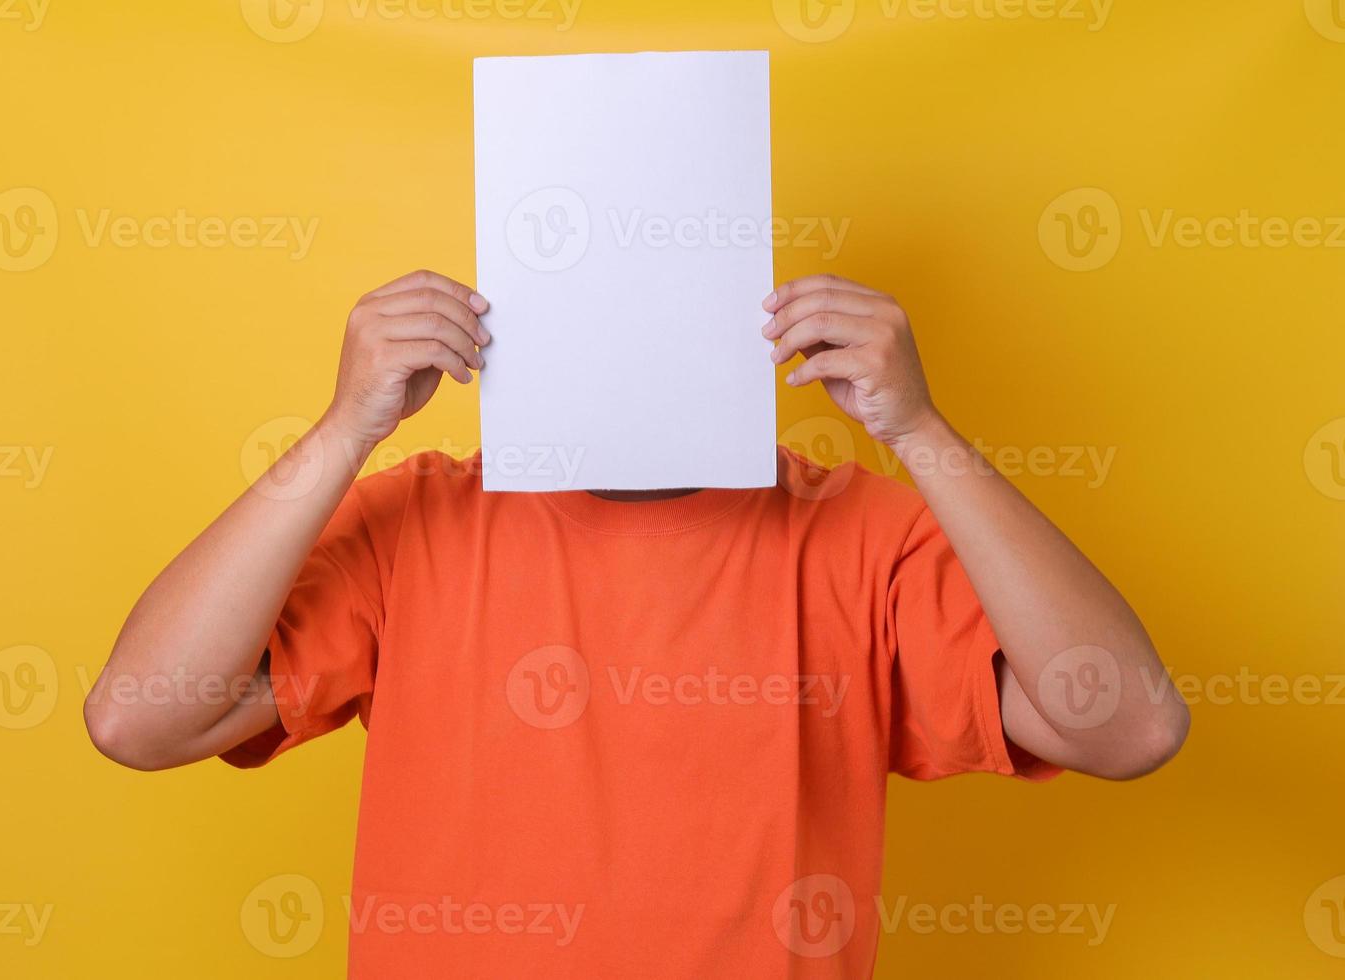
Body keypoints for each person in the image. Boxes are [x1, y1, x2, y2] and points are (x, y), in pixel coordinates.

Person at [84, 268, 1189, 977]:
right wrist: (343, 428)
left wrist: (921, 429)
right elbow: (139, 720)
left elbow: (1128, 728)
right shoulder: (413, 518)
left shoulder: (855, 533)